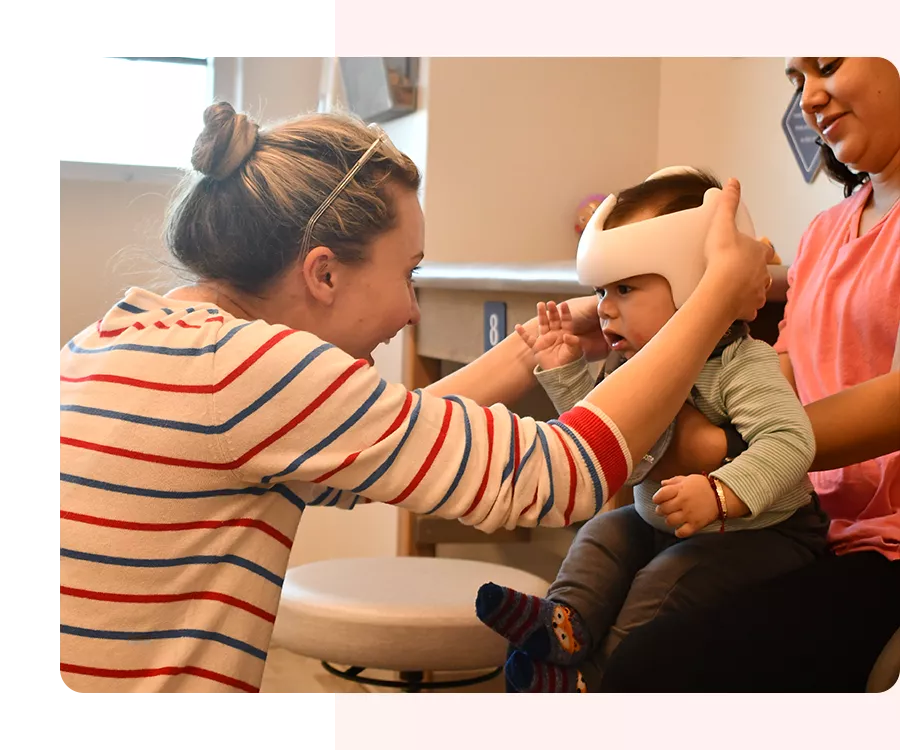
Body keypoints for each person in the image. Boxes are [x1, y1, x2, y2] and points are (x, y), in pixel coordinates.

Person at [57, 101, 770, 696]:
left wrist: (534, 345)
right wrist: (709, 302)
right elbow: (561, 475)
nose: (412, 311)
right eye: (410, 272)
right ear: (324, 274)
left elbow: (397, 426)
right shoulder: (252, 370)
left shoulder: (125, 336)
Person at [595, 56, 900, 692]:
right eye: (797, 81)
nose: (811, 98)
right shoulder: (825, 232)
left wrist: (729, 451)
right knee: (599, 576)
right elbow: (786, 370)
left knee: (646, 664)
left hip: (880, 547)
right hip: (794, 514)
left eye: (829, 66)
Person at [474, 168, 830, 692]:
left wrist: (720, 493)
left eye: (624, 288)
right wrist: (567, 372)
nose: (603, 308)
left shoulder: (740, 362)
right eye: (601, 291)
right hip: (665, 520)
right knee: (601, 534)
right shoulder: (635, 365)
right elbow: (611, 450)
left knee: (666, 580)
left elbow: (792, 442)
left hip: (765, 533)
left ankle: (596, 683)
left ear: (695, 281)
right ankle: (564, 623)